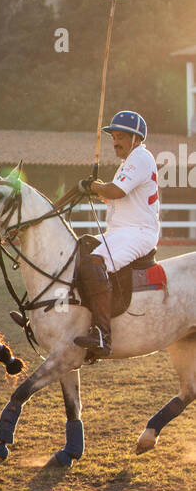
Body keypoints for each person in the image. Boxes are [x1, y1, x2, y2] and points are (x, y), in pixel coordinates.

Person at [73, 110, 160, 357]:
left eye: (120, 136)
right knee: (80, 248)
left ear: (135, 138)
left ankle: (102, 334)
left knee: (94, 263)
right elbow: (111, 194)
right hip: (120, 232)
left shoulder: (140, 157)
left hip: (138, 233)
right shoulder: (128, 162)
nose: (115, 142)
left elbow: (116, 192)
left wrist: (93, 186)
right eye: (114, 137)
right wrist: (97, 189)